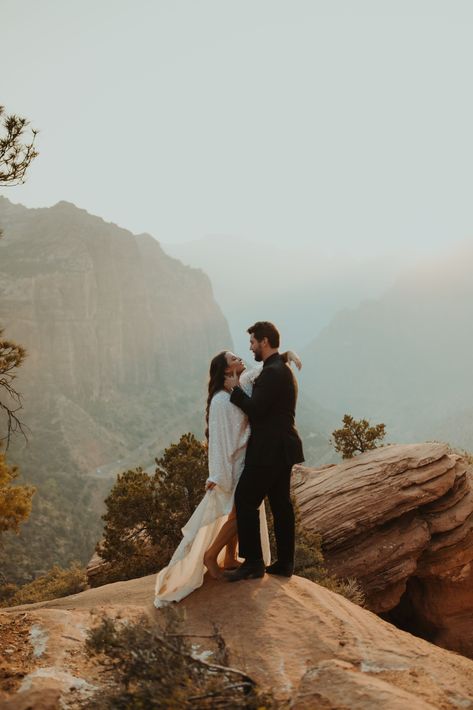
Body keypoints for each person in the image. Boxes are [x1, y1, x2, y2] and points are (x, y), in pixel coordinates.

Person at [154, 348, 301, 607]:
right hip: (235, 465)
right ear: (225, 370)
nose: (240, 359)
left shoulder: (238, 383)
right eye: (233, 359)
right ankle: (211, 556)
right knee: (240, 513)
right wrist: (218, 474)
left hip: (250, 460)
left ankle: (231, 557)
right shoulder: (221, 401)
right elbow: (220, 443)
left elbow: (261, 372)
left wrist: (285, 355)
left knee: (238, 511)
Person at [223, 321, 304, 582]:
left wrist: (234, 391)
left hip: (269, 449)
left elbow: (256, 409)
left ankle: (254, 563)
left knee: (245, 498)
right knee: (281, 505)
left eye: (253, 342)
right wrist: (284, 354)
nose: (251, 348)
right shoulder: (281, 368)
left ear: (264, 342)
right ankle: (286, 563)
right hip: (285, 447)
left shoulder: (272, 373)